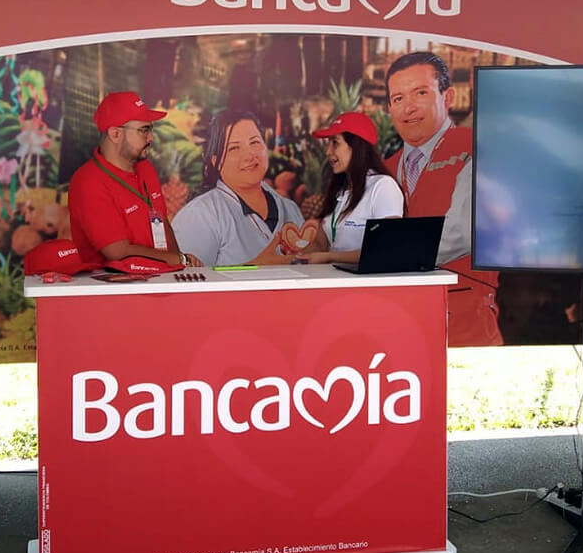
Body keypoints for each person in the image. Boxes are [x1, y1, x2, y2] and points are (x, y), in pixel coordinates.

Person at [384, 51, 502, 345]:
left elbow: (462, 231)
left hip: (464, 324)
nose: (408, 107)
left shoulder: (478, 150)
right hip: (394, 322)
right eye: (398, 99)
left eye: (420, 93)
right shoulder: (383, 169)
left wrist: (377, 255)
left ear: (447, 97)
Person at [68, 91, 201, 268]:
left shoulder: (145, 168)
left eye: (151, 129)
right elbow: (117, 252)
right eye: (143, 130)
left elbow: (161, 221)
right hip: (114, 289)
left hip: (158, 281)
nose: (151, 137)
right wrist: (175, 260)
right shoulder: (88, 182)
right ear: (115, 134)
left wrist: (179, 264)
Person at [172, 109, 313, 266]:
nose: (249, 155)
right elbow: (188, 283)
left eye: (254, 142)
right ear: (216, 161)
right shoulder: (199, 215)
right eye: (234, 148)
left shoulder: (290, 209)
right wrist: (253, 267)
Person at [296, 112, 403, 264]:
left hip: (366, 286)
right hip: (333, 282)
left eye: (335, 143)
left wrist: (330, 257)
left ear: (357, 146)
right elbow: (320, 244)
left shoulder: (383, 187)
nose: (328, 152)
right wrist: (293, 259)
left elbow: (386, 248)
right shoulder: (339, 190)